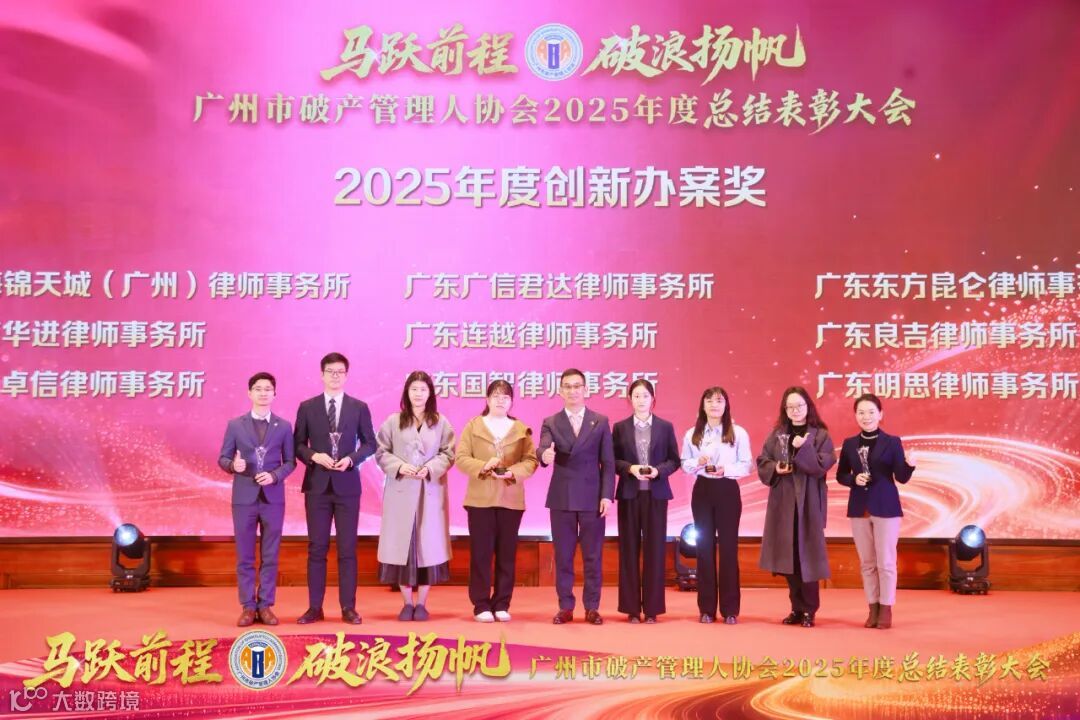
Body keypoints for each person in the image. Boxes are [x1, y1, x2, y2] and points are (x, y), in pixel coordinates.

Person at [293, 352, 376, 625]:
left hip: (347, 486)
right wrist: (314, 456)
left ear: (346, 375)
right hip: (317, 486)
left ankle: (348, 608)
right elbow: (297, 445)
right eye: (330, 371)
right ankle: (314, 607)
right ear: (322, 374)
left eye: (340, 372)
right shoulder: (307, 407)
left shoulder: (358, 407)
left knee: (347, 549)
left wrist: (352, 459)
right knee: (316, 548)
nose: (335, 376)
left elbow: (370, 443)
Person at [454, 380, 539, 622]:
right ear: (487, 399)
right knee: (480, 554)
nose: (501, 400)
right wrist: (483, 466)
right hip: (480, 500)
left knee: (506, 554)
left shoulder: (520, 429)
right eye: (496, 395)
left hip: (511, 500)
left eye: (505, 396)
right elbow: (461, 458)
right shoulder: (474, 425)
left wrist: (513, 472)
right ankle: (481, 604)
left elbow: (530, 460)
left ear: (512, 401)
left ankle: (502, 602)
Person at [375, 371, 455, 621]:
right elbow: (381, 452)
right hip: (401, 492)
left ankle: (422, 603)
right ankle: (407, 602)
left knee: (428, 547)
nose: (418, 394)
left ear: (430, 393)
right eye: (414, 389)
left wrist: (429, 468)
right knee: (402, 548)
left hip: (429, 492)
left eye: (423, 389)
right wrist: (400, 466)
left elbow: (448, 454)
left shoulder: (441, 422)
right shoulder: (393, 421)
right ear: (406, 393)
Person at [217, 372, 296, 627]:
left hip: (273, 498)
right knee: (245, 556)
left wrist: (274, 476)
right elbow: (223, 458)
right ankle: (248, 606)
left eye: (268, 389)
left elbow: (290, 462)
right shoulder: (235, 425)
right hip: (244, 498)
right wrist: (234, 465)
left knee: (270, 555)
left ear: (275, 394)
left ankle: (266, 605)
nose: (263, 393)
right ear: (249, 393)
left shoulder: (284, 426)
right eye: (258, 388)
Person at [539, 368, 616, 625]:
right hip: (562, 497)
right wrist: (544, 455)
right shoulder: (551, 421)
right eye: (567, 387)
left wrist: (607, 495)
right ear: (560, 391)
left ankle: (592, 607)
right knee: (563, 556)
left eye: (577, 386)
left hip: (592, 497)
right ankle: (565, 606)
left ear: (585, 390)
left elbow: (608, 462)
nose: (572, 391)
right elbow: (543, 447)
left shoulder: (600, 421)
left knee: (593, 556)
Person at [757, 386, 835, 628]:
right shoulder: (777, 434)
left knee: (807, 557)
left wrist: (804, 447)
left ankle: (810, 609)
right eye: (789, 407)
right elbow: (763, 461)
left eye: (799, 405)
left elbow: (821, 466)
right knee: (788, 557)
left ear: (808, 406)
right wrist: (775, 468)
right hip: (783, 503)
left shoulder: (820, 435)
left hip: (808, 502)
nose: (795, 410)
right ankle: (796, 608)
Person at [836, 393, 915, 629]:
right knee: (867, 563)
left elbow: (901, 477)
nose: (866, 417)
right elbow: (841, 475)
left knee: (886, 562)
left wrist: (910, 465)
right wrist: (854, 479)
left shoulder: (892, 442)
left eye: (871, 412)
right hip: (859, 508)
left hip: (886, 507)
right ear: (855, 415)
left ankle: (886, 608)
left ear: (881, 414)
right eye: (861, 412)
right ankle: (872, 608)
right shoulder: (850, 444)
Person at [679, 386, 753, 624]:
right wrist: (697, 462)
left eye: (719, 401)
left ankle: (730, 609)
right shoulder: (692, 434)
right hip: (702, 490)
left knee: (729, 549)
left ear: (726, 405)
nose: (714, 405)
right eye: (709, 401)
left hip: (727, 489)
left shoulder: (738, 432)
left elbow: (746, 464)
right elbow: (684, 463)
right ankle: (706, 608)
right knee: (704, 549)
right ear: (703, 405)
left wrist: (725, 469)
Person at [612, 379, 681, 624]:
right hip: (629, 495)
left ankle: (652, 609)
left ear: (653, 399)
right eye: (636, 396)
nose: (641, 400)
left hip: (656, 496)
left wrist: (658, 471)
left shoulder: (665, 427)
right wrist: (630, 468)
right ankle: (631, 608)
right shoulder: (620, 428)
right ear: (629, 400)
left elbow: (674, 460)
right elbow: (612, 461)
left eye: (645, 395)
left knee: (655, 551)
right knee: (628, 551)